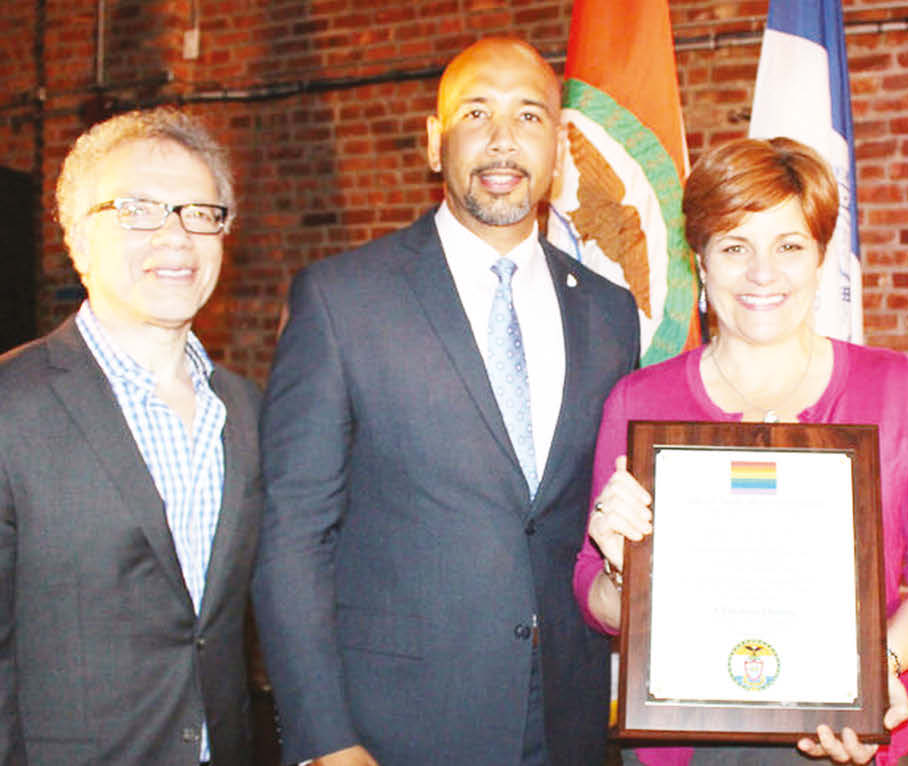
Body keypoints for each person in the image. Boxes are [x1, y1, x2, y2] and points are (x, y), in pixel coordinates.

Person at [250, 37, 641, 766]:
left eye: (528, 117)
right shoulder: (341, 301)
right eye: (474, 114)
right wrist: (325, 740)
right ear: (435, 142)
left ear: (558, 149)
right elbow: (293, 536)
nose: (502, 141)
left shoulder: (610, 314)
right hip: (394, 730)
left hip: (570, 724)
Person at [576, 137, 908, 766]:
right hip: (681, 745)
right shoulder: (639, 402)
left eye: (789, 246)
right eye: (735, 247)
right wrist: (615, 564)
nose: (762, 274)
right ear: (702, 263)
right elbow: (600, 604)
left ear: (820, 256)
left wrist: (877, 669)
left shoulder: (898, 389)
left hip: (849, 739)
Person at [0, 108, 261, 765]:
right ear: (76, 239)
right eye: (138, 210)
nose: (175, 237)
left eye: (198, 212)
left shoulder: (248, 410)